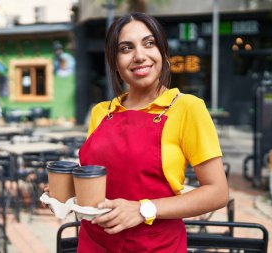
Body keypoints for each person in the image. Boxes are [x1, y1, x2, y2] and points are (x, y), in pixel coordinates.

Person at [48, 13, 229, 252]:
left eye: (149, 43)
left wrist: (144, 209)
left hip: (156, 246)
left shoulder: (187, 108)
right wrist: (65, 193)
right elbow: (101, 184)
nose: (139, 56)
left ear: (164, 54)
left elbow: (217, 192)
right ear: (114, 61)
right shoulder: (102, 112)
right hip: (94, 244)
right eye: (126, 48)